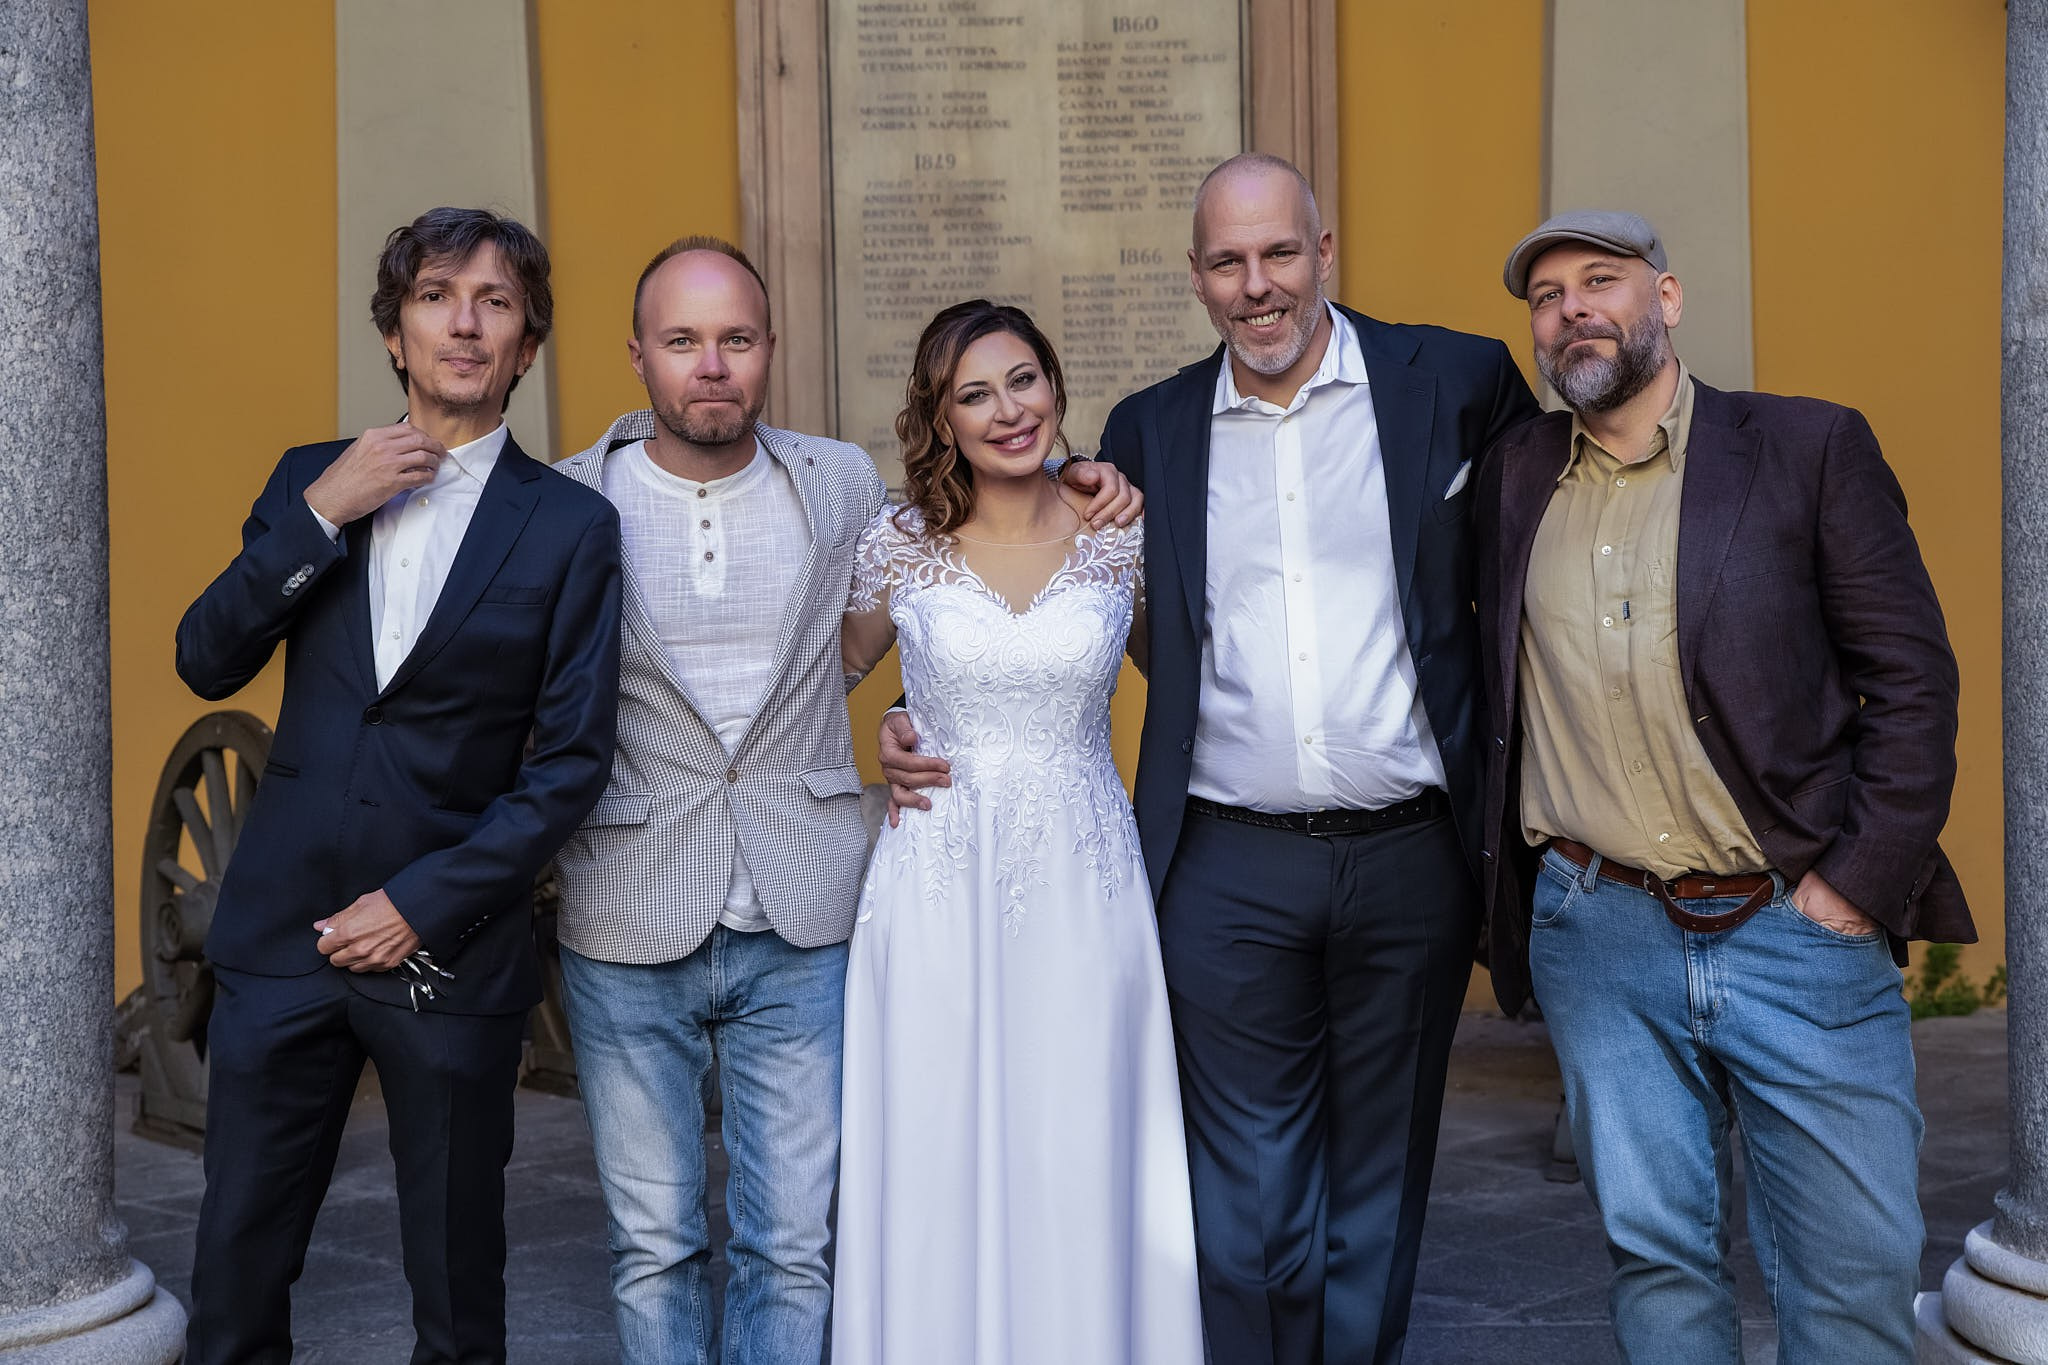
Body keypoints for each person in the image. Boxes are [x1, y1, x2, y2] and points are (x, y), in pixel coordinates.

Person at [883, 153, 1541, 1364]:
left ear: (1323, 252)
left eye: (1278, 254)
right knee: (1237, 1199)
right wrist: (922, 709)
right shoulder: (1150, 430)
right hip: (1224, 862)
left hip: (1410, 853)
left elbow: (1538, 547)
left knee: (1378, 1177)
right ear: (1195, 279)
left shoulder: (1451, 381)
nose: (1257, 286)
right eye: (1227, 263)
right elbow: (1036, 590)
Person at [545, 240, 1140, 1365]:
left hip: (939, 888)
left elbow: (1198, 679)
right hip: (694, 893)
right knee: (661, 1237)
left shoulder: (862, 492)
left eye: (734, 339)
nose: (711, 364)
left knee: (808, 1234)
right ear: (637, 356)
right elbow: (828, 672)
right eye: (682, 341)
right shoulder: (586, 501)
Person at [1475, 209, 1975, 1363]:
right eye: (1544, 298)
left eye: (1598, 280)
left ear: (1666, 298)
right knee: (1655, 1263)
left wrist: (1852, 887)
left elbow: (1908, 681)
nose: (1569, 311)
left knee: (1848, 1281)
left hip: (1792, 928)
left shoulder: (1804, 449)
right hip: (1597, 934)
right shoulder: (1512, 479)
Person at [175, 207, 623, 1364]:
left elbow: (569, 764)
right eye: (435, 296)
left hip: (442, 953)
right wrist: (326, 510)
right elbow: (204, 657)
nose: (463, 323)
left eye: (495, 302)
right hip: (279, 939)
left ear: (527, 346)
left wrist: (424, 902)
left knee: (456, 1298)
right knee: (233, 1281)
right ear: (394, 334)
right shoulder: (306, 481)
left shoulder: (573, 527)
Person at [832, 299, 1205, 1364]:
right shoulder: (895, 547)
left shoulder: (1118, 533)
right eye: (974, 394)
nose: (1008, 411)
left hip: (1084, 885)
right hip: (936, 881)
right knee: (937, 1139)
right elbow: (812, 696)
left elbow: (1191, 686)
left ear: (1055, 386)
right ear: (938, 420)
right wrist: (887, 740)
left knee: (1079, 1137)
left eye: (1024, 381)